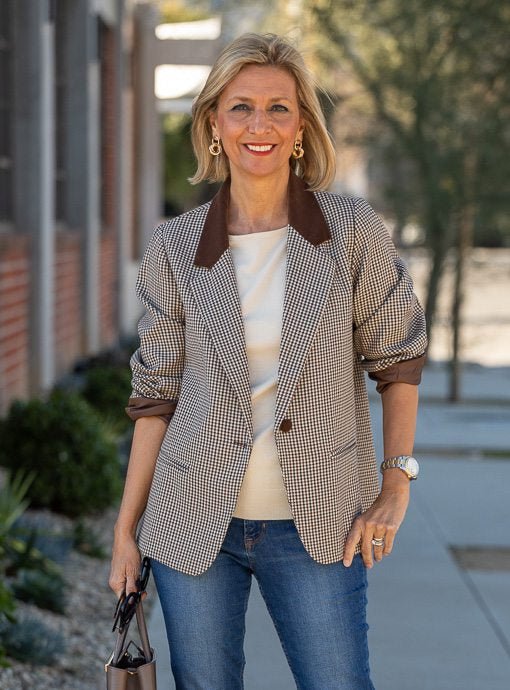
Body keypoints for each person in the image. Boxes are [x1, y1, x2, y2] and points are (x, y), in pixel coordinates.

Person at [109, 32, 427, 690]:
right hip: (193, 521)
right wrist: (125, 530)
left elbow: (398, 360)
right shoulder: (175, 246)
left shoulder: (352, 233)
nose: (261, 125)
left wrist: (395, 482)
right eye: (241, 107)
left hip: (320, 522)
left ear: (303, 127)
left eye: (279, 108)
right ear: (213, 126)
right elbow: (155, 397)